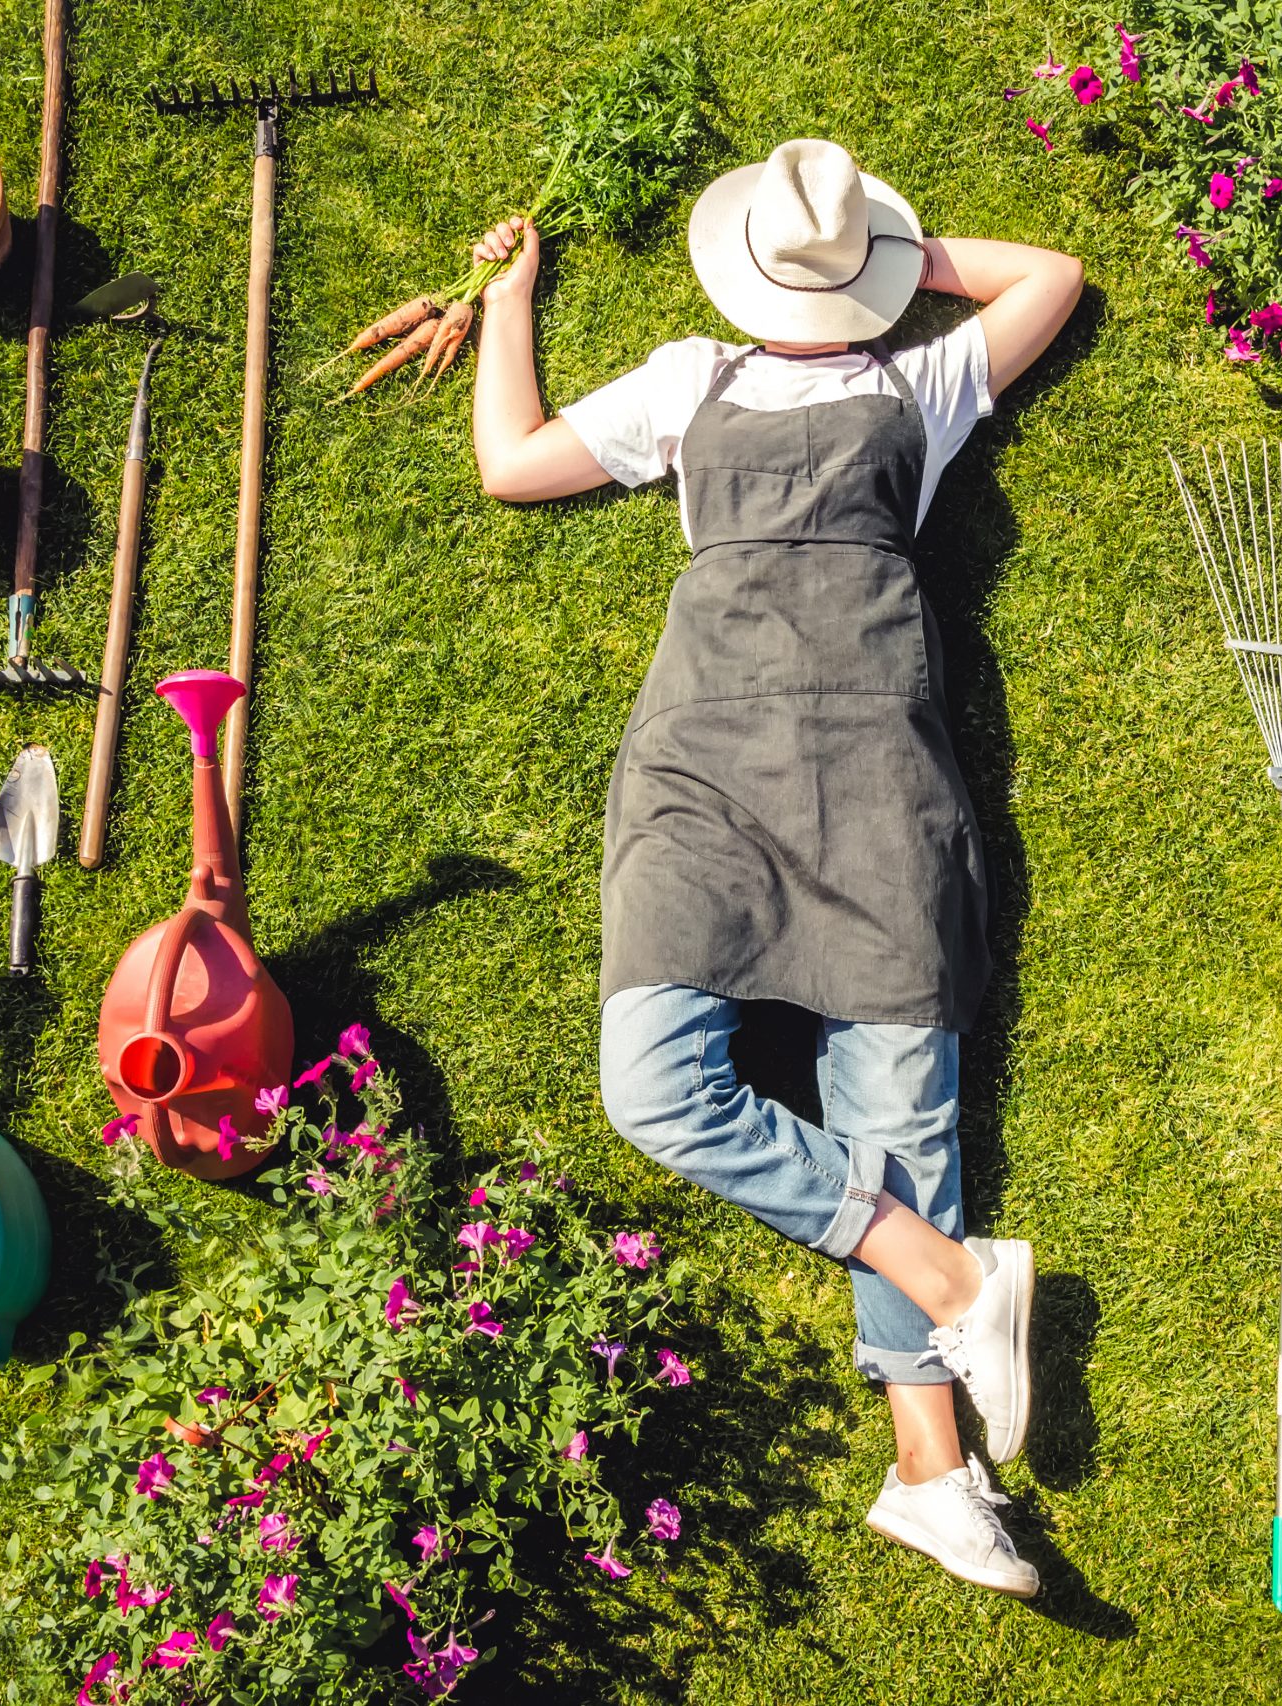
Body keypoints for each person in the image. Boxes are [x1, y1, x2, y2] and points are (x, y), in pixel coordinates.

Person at [471, 138, 1083, 1597]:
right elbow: (513, 465)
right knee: (652, 1084)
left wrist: (877, 272)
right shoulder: (696, 377)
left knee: (901, 1105)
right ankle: (949, 1277)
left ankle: (933, 1470)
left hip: (878, 764)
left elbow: (1057, 279)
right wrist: (513, 299)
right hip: (709, 772)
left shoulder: (918, 387)